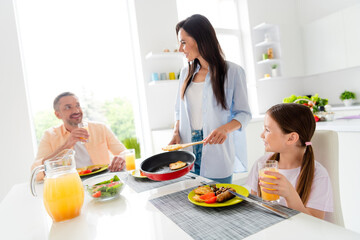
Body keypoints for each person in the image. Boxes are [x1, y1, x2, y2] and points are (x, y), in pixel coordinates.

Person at [169, 14, 252, 183]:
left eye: (183, 42)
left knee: (217, 205)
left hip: (216, 152)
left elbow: (244, 113)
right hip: (187, 150)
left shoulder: (233, 72)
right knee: (189, 204)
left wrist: (225, 129)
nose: (180, 49)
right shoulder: (185, 73)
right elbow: (179, 109)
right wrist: (176, 133)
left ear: (200, 39)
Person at [246, 103, 333, 219]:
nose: (262, 135)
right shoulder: (262, 164)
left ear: (291, 138)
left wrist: (290, 194)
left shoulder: (319, 175)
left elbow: (315, 225)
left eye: (267, 130)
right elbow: (254, 207)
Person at [31, 92, 126, 180]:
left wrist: (121, 158)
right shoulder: (49, 135)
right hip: (71, 185)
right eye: (68, 107)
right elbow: (36, 173)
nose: (76, 110)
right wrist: (66, 145)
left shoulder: (100, 128)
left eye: (77, 105)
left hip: (103, 180)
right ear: (58, 114)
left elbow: (124, 152)